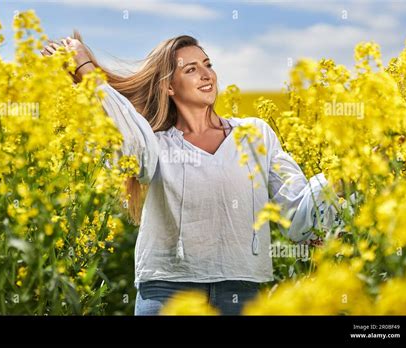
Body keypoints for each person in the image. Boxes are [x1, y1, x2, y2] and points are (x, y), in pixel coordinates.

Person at [41, 34, 341, 315]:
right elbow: (129, 138)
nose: (206, 74)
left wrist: (348, 171)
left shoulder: (256, 134)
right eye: (191, 69)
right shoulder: (156, 143)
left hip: (242, 291)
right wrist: (88, 73)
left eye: (208, 65)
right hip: (167, 291)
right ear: (169, 86)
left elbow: (299, 214)